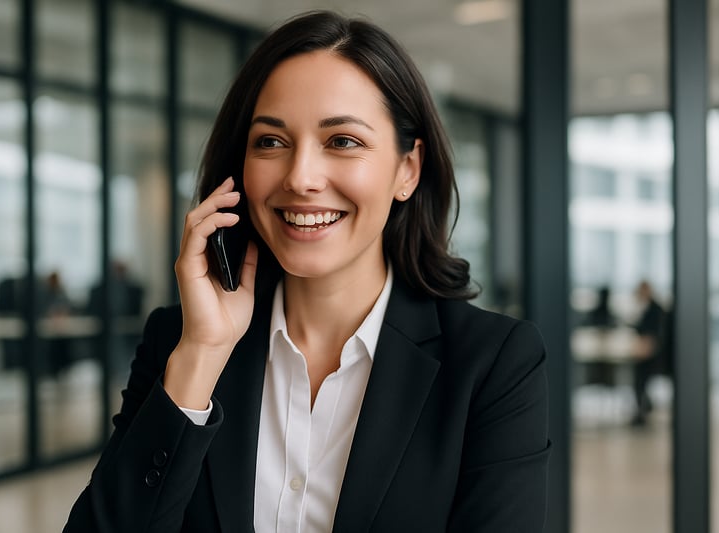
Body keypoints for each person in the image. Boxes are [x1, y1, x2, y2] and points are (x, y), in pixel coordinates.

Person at [64, 10, 549, 532]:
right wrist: (201, 356)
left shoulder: (493, 364)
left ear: (407, 169)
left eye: (343, 141)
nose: (300, 178)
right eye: (271, 142)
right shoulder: (178, 341)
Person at [630, 280, 667, 427]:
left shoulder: (656, 309)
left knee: (640, 378)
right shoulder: (647, 308)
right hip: (647, 353)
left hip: (656, 356)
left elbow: (657, 336)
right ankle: (644, 407)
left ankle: (643, 411)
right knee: (638, 378)